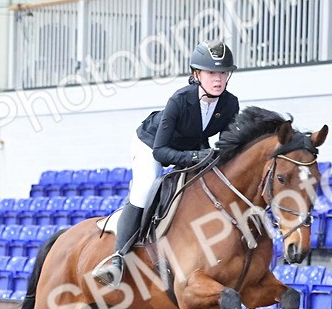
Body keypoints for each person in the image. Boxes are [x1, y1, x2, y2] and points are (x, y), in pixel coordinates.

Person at [91, 40, 240, 287]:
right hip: (151, 145)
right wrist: (197, 157)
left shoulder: (230, 103)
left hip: (191, 145)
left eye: (223, 72)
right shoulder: (179, 100)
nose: (218, 79)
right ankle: (117, 259)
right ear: (196, 74)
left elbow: (225, 147)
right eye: (211, 72)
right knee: (146, 188)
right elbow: (161, 152)